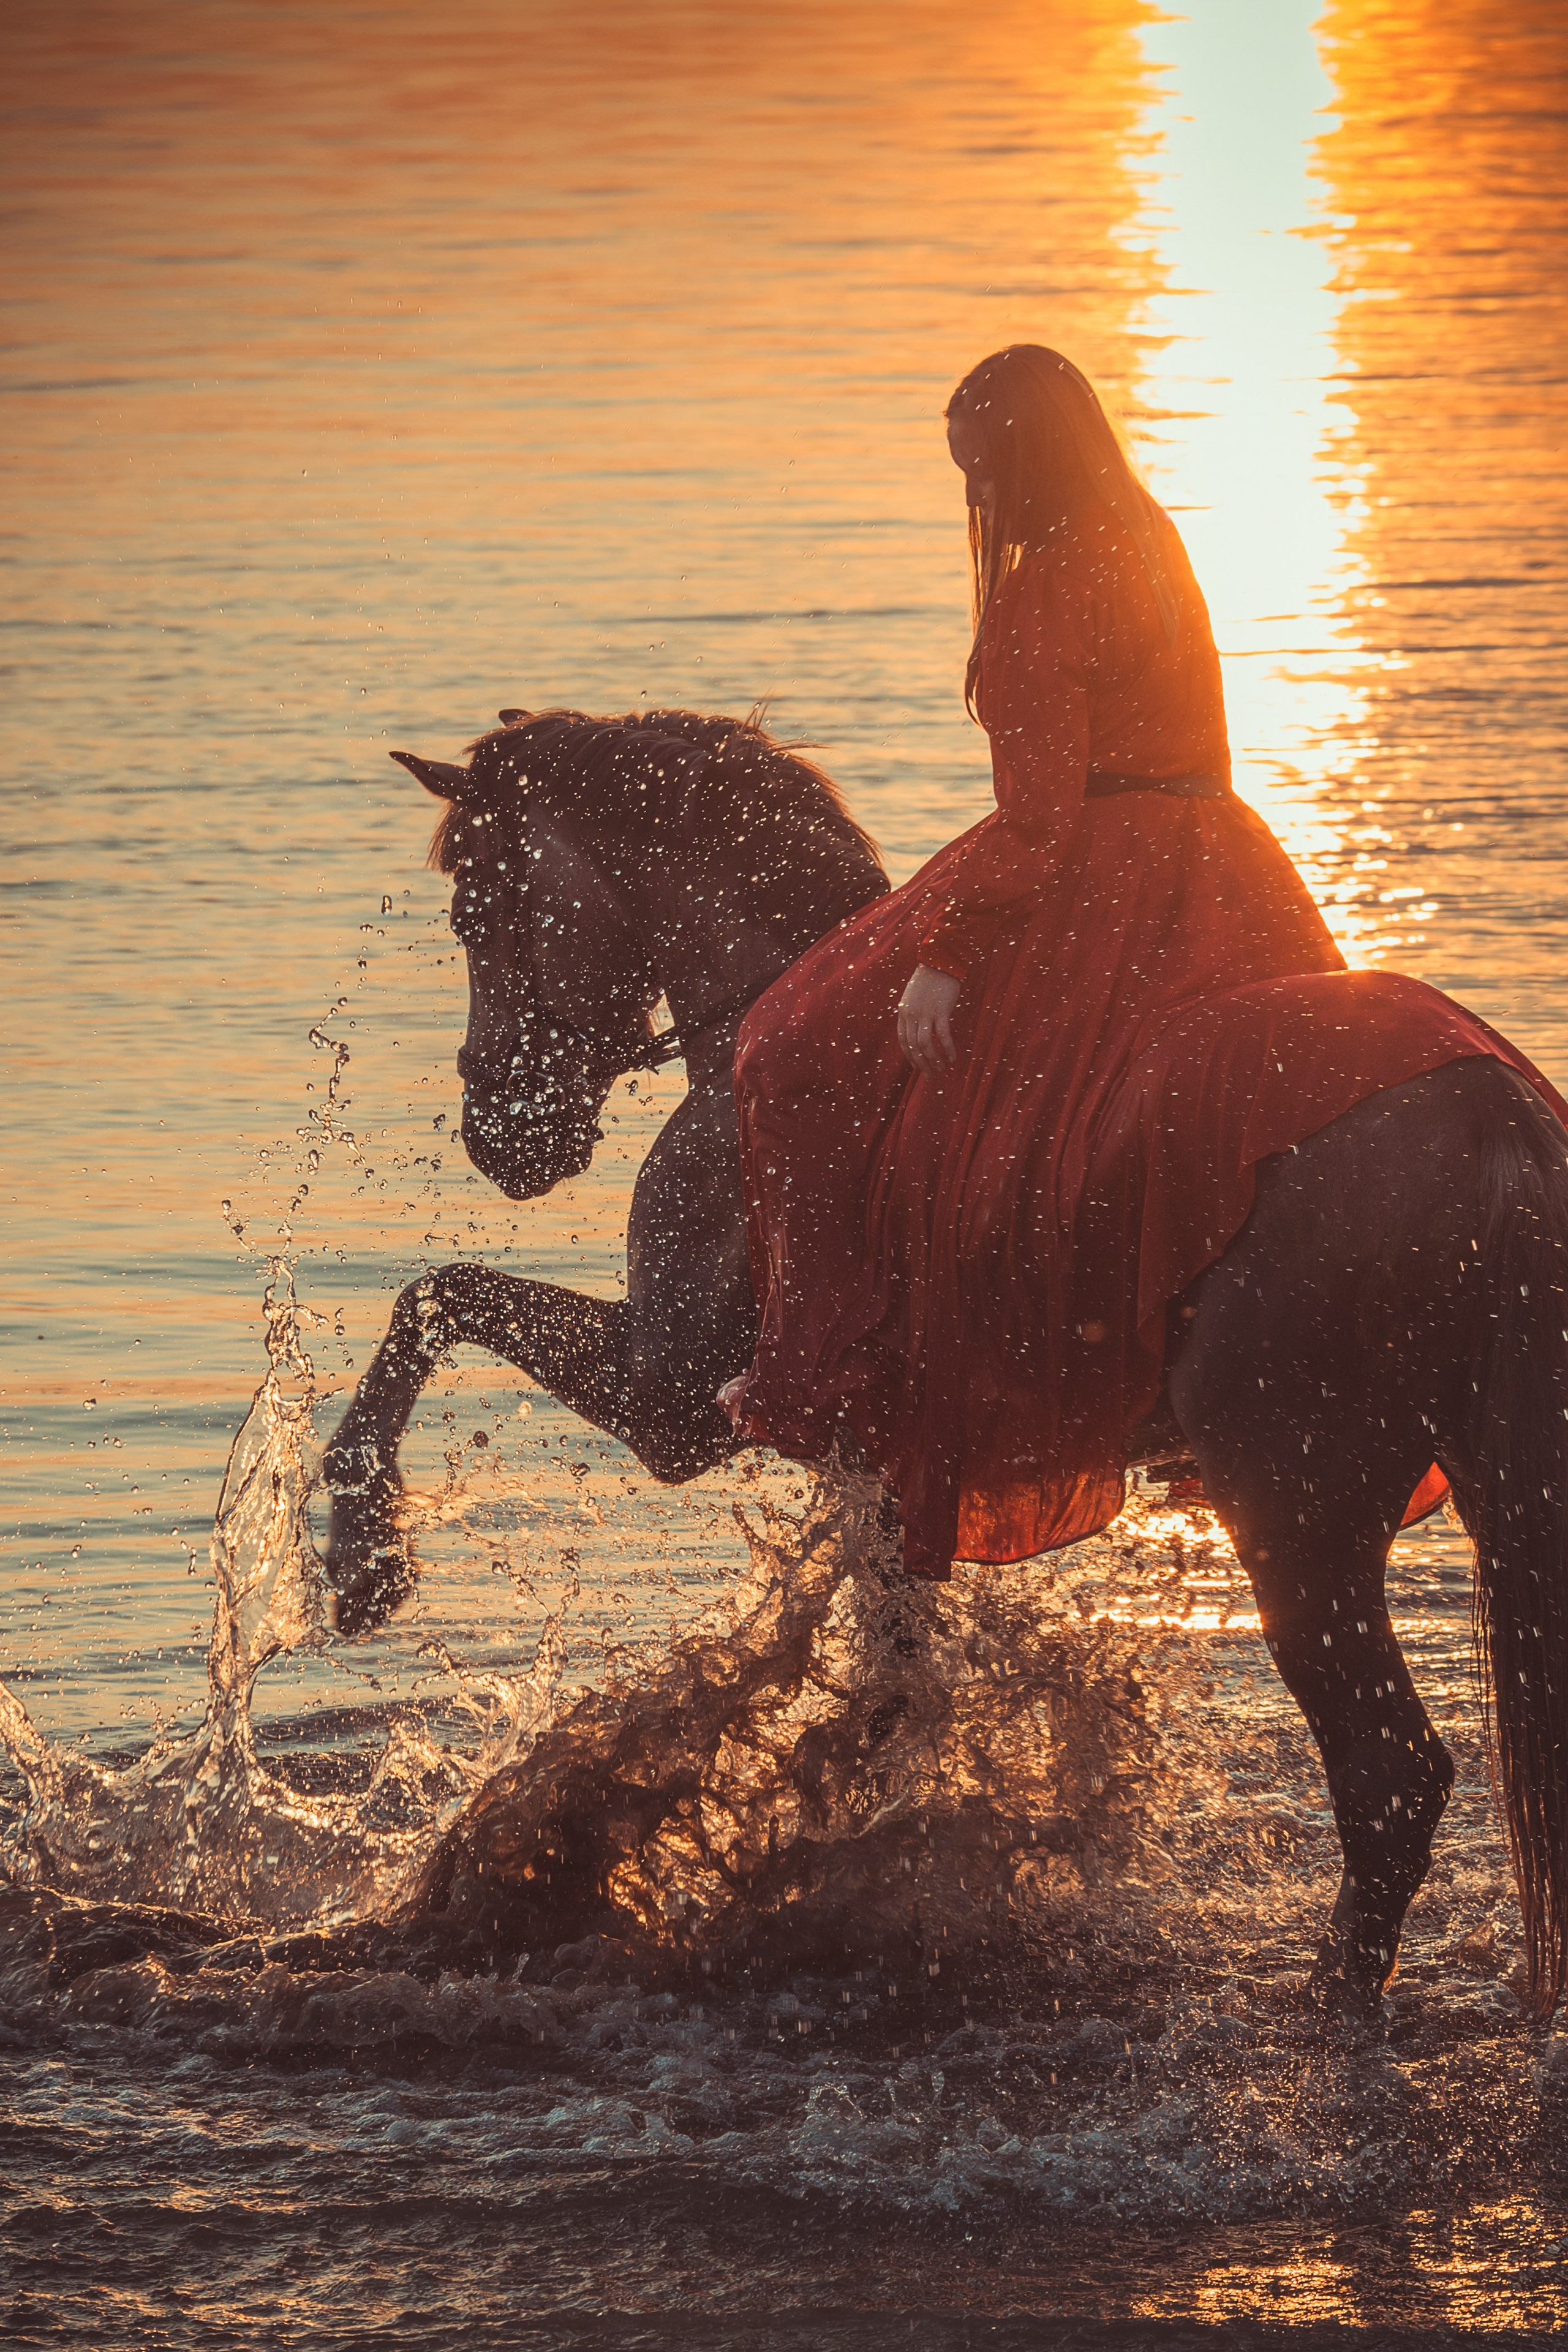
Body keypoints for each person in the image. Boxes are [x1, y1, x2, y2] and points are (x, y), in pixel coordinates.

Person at [725, 344, 1542, 1579]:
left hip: (1092, 875)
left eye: (981, 475)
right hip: (1224, 862)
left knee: (788, 1045)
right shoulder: (1156, 551)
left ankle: (829, 1377)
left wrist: (947, 955)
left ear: (1023, 463)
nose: (976, 503)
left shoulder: (1043, 588)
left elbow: (1039, 823)